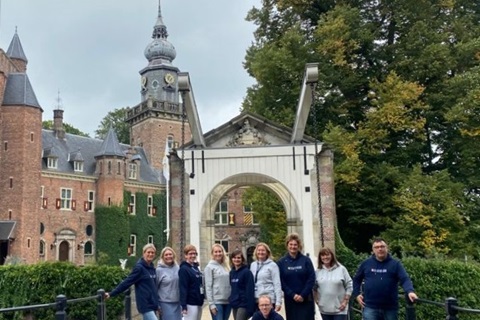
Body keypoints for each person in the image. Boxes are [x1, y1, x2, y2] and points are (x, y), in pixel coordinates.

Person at [352, 238, 418, 320]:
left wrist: (410, 291)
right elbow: (356, 280)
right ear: (373, 250)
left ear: (387, 248)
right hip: (370, 307)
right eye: (377, 247)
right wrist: (357, 294)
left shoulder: (395, 264)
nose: (380, 249)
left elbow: (404, 279)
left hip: (390, 308)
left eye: (382, 246)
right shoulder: (366, 264)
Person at [105, 243, 159, 320]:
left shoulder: (152, 268)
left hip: (152, 303)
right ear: (144, 253)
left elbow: (153, 287)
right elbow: (127, 282)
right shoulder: (139, 268)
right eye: (148, 252)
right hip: (145, 304)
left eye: (152, 253)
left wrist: (157, 304)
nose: (150, 254)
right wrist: (111, 293)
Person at [276, 233, 315, 320]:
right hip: (291, 300)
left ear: (299, 246)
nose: (293, 247)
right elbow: (281, 282)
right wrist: (293, 295)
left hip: (306, 299)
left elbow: (311, 278)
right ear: (287, 245)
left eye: (295, 244)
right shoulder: (281, 262)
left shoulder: (306, 260)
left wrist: (302, 295)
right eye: (291, 244)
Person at [314, 247, 353, 320]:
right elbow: (314, 288)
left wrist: (345, 301)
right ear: (320, 258)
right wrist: (317, 300)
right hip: (324, 310)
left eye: (327, 255)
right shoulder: (318, 272)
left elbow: (349, 285)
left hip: (340, 309)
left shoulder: (341, 269)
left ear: (332, 256)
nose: (325, 257)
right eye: (323, 255)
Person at [250, 242, 282, 311]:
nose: (260, 252)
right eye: (259, 250)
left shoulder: (273, 265)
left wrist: (278, 302)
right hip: (257, 299)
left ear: (267, 252)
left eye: (263, 250)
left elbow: (277, 284)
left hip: (269, 299)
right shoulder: (253, 265)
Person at [205, 243, 232, 320]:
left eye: (220, 251)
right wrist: (211, 304)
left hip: (228, 301)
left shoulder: (226, 266)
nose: (218, 253)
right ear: (212, 253)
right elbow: (208, 286)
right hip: (217, 302)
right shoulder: (209, 267)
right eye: (216, 252)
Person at [179, 244, 204, 320]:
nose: (193, 256)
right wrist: (183, 305)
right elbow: (183, 287)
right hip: (190, 303)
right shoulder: (184, 269)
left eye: (194, 253)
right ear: (185, 255)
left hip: (198, 302)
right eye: (190, 254)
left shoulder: (195, 268)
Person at [156, 246, 181, 320]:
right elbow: (155, 288)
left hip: (177, 302)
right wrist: (157, 304)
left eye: (170, 254)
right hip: (165, 303)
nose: (168, 256)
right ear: (162, 257)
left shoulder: (178, 268)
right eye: (166, 255)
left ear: (173, 255)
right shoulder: (159, 270)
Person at [229, 249, 255, 320]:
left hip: (243, 304)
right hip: (235, 304)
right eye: (234, 258)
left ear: (242, 259)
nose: (236, 260)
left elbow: (250, 290)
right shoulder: (232, 273)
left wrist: (250, 308)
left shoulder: (247, 272)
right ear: (232, 259)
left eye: (239, 258)